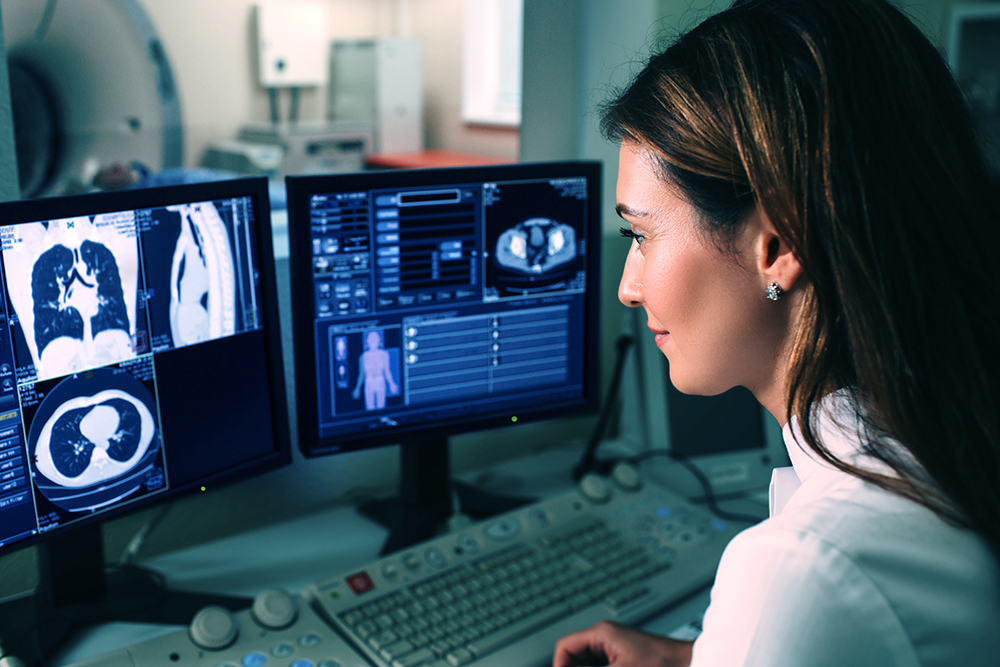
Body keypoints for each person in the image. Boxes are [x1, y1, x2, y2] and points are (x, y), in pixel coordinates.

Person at [553, 1, 1000, 665]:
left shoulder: (804, 571)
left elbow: (823, 597)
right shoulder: (943, 446)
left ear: (777, 242)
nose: (628, 285)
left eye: (641, 235)